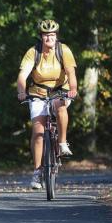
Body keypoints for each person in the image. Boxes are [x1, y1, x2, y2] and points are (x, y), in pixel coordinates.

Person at [17, 19, 78, 190]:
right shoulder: (33, 52)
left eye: (52, 35)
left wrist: (73, 88)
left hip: (60, 90)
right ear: (41, 37)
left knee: (60, 105)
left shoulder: (63, 50)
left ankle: (62, 143)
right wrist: (22, 91)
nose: (49, 38)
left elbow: (71, 72)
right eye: (46, 35)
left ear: (56, 36)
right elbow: (22, 76)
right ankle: (37, 171)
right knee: (38, 131)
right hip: (38, 93)